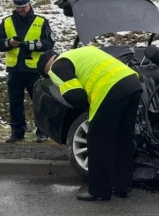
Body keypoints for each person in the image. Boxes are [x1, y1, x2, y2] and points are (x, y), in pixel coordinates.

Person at [37, 47, 143, 201]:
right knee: (123, 138)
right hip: (133, 83)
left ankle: (99, 190)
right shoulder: (81, 52)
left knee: (97, 141)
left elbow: (76, 97)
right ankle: (122, 186)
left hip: (110, 90)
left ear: (46, 69)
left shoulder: (56, 67)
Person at [0, 0, 54, 143]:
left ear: (30, 5)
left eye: (24, 7)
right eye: (18, 8)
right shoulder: (7, 22)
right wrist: (9, 43)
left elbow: (48, 43)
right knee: (15, 103)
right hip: (14, 69)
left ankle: (43, 131)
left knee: (39, 102)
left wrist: (29, 45)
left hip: (34, 70)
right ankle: (17, 132)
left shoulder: (41, 22)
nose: (21, 10)